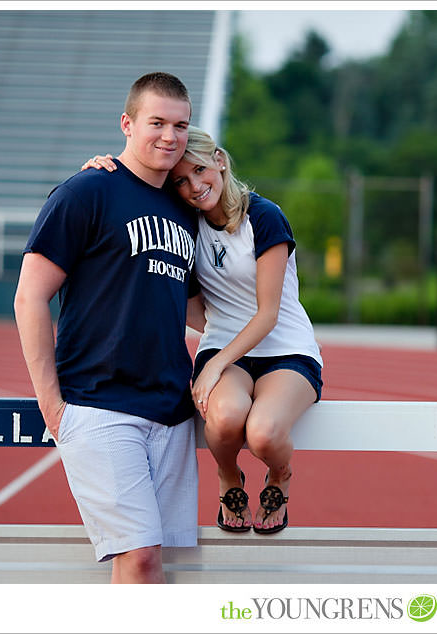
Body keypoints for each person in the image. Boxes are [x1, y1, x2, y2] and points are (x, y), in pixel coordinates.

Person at [83, 126, 323, 535]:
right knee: (226, 418)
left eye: (199, 170)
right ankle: (229, 476)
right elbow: (193, 307)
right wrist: (99, 175)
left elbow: (267, 315)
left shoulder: (264, 217)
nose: (194, 186)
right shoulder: (185, 226)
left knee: (264, 434)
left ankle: (279, 475)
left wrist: (213, 367)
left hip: (286, 349)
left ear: (220, 162)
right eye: (181, 180)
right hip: (225, 350)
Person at [14, 72, 201, 583]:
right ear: (127, 123)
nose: (169, 136)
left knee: (153, 562)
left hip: (170, 410)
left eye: (180, 124)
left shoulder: (184, 210)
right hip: (99, 402)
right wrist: (51, 404)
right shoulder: (87, 191)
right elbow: (30, 296)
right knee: (138, 556)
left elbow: (195, 310)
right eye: (156, 122)